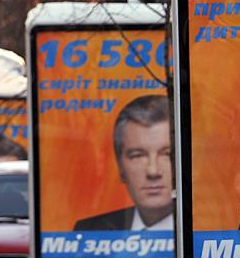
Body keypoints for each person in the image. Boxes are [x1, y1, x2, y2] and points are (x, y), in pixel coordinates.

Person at [74, 95, 173, 231]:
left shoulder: (205, 230)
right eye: (137, 156)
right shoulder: (89, 231)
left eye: (167, 154)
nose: (153, 171)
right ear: (120, 167)